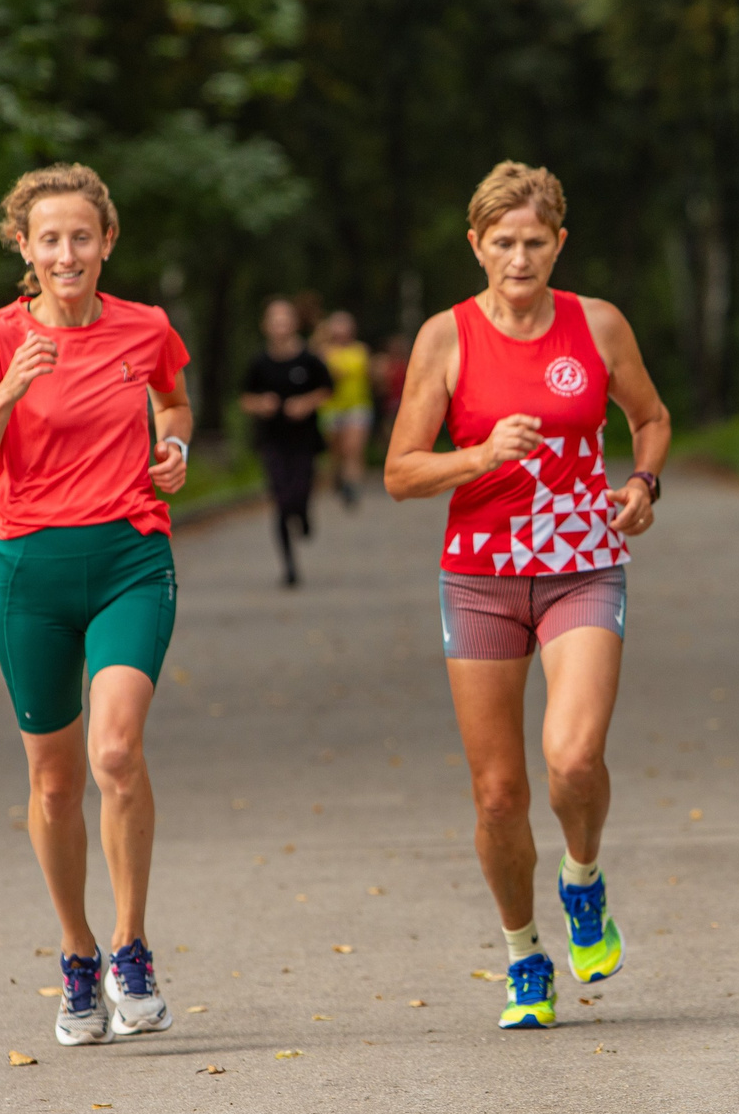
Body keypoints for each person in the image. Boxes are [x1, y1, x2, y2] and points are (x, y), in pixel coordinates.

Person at [384, 161, 672, 1031]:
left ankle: (582, 877)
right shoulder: (446, 338)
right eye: (503, 242)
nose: (520, 258)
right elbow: (400, 472)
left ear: (559, 243)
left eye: (535, 242)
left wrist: (644, 482)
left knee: (573, 758)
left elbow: (650, 417)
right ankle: (524, 957)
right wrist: (478, 456)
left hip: (583, 562)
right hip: (480, 577)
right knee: (499, 794)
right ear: (476, 245)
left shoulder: (597, 323)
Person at [0, 162, 192, 1048]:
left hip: (130, 557)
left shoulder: (145, 326)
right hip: (32, 574)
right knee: (53, 781)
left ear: (107, 241)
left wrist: (174, 447)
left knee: (115, 751)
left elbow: (173, 400)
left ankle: (131, 947)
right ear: (24, 245)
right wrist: (9, 389)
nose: (66, 253)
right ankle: (78, 952)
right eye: (49, 238)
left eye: (82, 236)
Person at [240, 297, 332, 587]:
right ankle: (289, 567)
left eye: (285, 320)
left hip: (304, 440)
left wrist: (305, 403)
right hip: (272, 440)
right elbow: (245, 398)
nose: (280, 326)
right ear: (266, 326)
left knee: (300, 492)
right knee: (280, 502)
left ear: (294, 324)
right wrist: (261, 404)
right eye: (275, 321)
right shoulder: (259, 363)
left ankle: (303, 515)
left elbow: (327, 388)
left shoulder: (309, 359)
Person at [315, 309, 373, 509]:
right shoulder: (324, 351)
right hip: (331, 408)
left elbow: (369, 376)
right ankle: (338, 476)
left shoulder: (361, 350)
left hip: (358, 405)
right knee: (336, 450)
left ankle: (352, 486)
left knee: (353, 448)